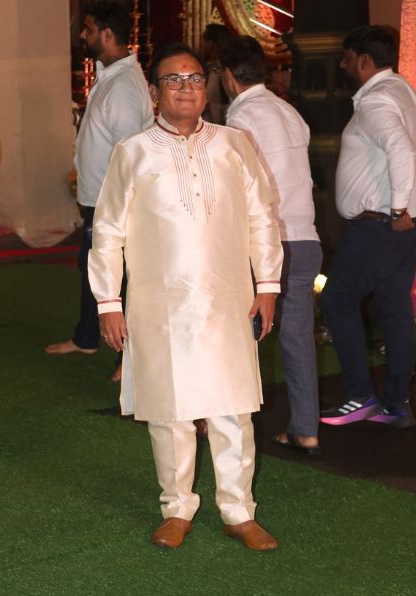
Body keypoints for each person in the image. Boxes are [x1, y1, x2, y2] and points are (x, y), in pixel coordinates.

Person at [88, 43, 283, 551]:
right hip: (160, 303)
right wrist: (108, 302)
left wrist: (267, 286)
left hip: (228, 299)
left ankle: (239, 512)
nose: (186, 88)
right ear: (155, 92)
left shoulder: (234, 144)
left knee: (233, 408)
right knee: (169, 410)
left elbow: (261, 216)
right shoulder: (133, 151)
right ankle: (176, 508)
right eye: (173, 80)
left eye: (195, 78)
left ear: (207, 88)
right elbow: (107, 231)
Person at [319, 26, 416, 429]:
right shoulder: (402, 91)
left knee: (337, 300)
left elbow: (400, 150)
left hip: (382, 226)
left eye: (348, 58)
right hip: (404, 225)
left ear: (365, 61)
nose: (344, 65)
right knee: (395, 308)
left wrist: (397, 208)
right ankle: (396, 403)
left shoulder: (377, 99)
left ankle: (360, 397)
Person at [220, 36, 323, 455]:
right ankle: (306, 429)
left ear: (228, 76)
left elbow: (236, 183)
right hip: (305, 236)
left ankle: (231, 424)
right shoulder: (288, 111)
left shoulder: (240, 116)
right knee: (297, 340)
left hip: (265, 242)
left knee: (238, 333)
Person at [45, 0, 154, 385]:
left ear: (107, 35)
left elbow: (130, 154)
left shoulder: (122, 87)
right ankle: (87, 337)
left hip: (115, 203)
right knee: (91, 269)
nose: (82, 34)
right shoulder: (112, 75)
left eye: (88, 29)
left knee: (121, 277)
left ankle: (132, 356)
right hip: (100, 199)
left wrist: (119, 205)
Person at [200, 23, 235, 124]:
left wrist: (209, 107)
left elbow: (233, 104)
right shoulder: (206, 66)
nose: (201, 44)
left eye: (203, 40)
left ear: (210, 43)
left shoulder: (224, 70)